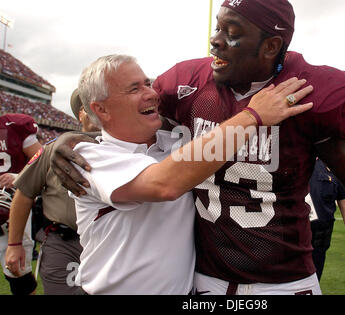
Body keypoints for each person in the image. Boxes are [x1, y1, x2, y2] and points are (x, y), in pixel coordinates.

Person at [51, 0, 345, 295]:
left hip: (285, 281)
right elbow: (127, 124)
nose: (214, 41)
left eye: (231, 31)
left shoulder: (308, 93)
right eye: (217, 27)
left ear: (270, 46)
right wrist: (64, 140)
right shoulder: (185, 87)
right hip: (205, 281)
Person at [63, 54, 312, 295]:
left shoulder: (175, 141)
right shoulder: (88, 159)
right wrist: (252, 115)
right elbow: (165, 184)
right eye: (134, 89)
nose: (151, 93)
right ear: (102, 110)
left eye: (148, 83)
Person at [5, 89, 100, 295]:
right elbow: (24, 193)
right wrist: (14, 244)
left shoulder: (125, 146)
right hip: (65, 240)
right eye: (85, 107)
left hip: (110, 240)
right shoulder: (52, 148)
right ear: (79, 114)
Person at [0, 113, 42, 295]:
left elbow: (43, 161)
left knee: (17, 273)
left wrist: (18, 177)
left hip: (11, 206)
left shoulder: (12, 126)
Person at [307, 159, 345, 281]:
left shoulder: (332, 163)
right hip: (287, 243)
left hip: (318, 244)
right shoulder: (287, 157)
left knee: (313, 283)